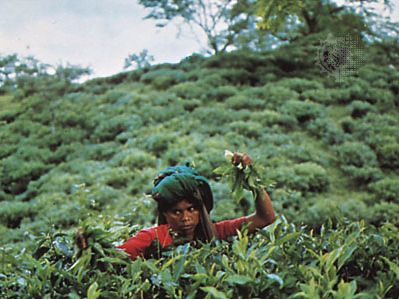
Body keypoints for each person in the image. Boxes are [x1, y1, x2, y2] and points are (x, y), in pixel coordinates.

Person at [117, 153, 275, 260]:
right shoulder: (152, 238)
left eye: (191, 209)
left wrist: (252, 179)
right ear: (165, 213)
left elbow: (265, 218)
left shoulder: (217, 232)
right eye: (176, 212)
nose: (185, 218)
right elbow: (117, 257)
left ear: (201, 210)